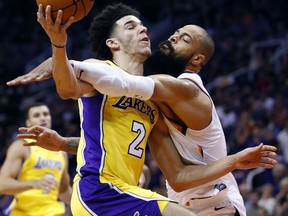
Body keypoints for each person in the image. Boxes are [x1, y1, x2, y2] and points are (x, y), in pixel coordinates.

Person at [7, 3, 277, 216]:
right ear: (112, 43)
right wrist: (59, 47)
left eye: (142, 25)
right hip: (100, 188)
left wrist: (65, 143)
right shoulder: (100, 70)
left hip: (123, 193)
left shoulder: (155, 99)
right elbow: (67, 90)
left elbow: (118, 143)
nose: (143, 29)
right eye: (131, 26)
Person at [0, 102, 72, 216]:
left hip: (54, 212)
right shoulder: (21, 146)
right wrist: (34, 184)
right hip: (25, 213)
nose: (43, 118)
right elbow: (2, 184)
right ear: (28, 123)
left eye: (46, 114)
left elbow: (63, 191)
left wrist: (88, 201)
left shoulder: (61, 152)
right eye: (36, 115)